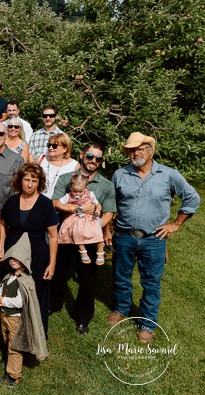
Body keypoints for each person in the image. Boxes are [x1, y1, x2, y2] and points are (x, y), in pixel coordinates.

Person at [108, 132, 200, 343]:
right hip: (124, 235)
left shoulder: (168, 174)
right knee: (121, 276)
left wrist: (175, 224)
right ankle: (121, 308)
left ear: (150, 151)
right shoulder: (120, 174)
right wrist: (107, 228)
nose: (136, 153)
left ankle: (147, 323)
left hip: (154, 239)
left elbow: (192, 198)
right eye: (132, 150)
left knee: (151, 282)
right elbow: (110, 203)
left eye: (140, 149)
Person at [50, 141, 116, 335]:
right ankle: (54, 304)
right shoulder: (66, 179)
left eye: (98, 158)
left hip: (89, 237)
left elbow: (109, 213)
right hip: (67, 233)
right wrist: (77, 209)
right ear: (81, 155)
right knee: (59, 271)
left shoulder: (106, 185)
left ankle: (83, 317)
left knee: (88, 278)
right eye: (90, 156)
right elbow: (55, 202)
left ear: (101, 161)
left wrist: (93, 229)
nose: (93, 161)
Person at [0, 163, 59, 336]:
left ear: (39, 182)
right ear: (20, 181)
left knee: (35, 292)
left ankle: (34, 334)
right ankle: (8, 332)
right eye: (26, 179)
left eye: (34, 180)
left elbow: (53, 235)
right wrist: (0, 248)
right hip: (13, 253)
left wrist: (52, 263)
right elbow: (2, 225)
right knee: (12, 289)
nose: (30, 184)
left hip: (37, 255)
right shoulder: (12, 201)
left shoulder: (46, 204)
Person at [0, 234, 48, 387]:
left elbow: (20, 301)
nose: (12, 260)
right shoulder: (9, 276)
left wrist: (3, 301)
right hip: (5, 316)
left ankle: (13, 376)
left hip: (15, 320)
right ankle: (12, 366)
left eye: (16, 258)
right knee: (8, 342)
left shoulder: (25, 281)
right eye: (11, 257)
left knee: (15, 347)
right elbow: (1, 288)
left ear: (24, 260)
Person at [57, 174, 105, 264]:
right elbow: (58, 204)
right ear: (71, 188)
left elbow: (98, 204)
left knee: (97, 231)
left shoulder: (90, 194)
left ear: (86, 188)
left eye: (80, 191)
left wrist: (98, 210)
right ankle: (83, 252)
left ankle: (100, 251)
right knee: (77, 232)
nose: (77, 194)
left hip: (89, 218)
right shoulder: (68, 196)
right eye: (75, 191)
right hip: (75, 217)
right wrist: (69, 209)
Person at [36, 132, 79, 198]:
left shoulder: (74, 166)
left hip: (61, 204)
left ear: (65, 149)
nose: (50, 148)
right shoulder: (40, 160)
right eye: (49, 145)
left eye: (54, 146)